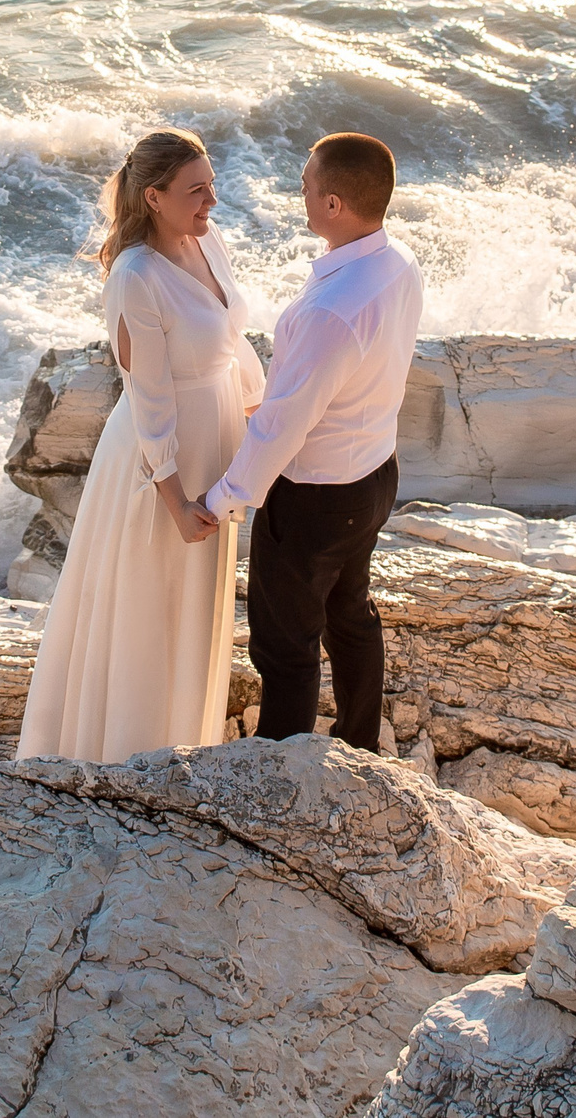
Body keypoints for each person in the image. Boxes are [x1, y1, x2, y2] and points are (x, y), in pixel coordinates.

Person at [15, 128, 268, 764]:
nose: (211, 201)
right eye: (196, 191)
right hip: (162, 465)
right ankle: (125, 757)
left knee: (194, 613)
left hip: (215, 445)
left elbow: (232, 338)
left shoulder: (206, 239)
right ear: (153, 197)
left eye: (212, 184)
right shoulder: (135, 277)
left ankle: (184, 745)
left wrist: (262, 411)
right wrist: (176, 499)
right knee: (149, 613)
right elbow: (150, 397)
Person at [194, 133, 421, 752]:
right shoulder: (398, 262)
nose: (301, 190)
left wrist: (220, 500)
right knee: (350, 614)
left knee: (284, 644)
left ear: (335, 205)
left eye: (307, 184)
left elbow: (284, 421)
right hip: (375, 473)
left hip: (316, 496)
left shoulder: (331, 309)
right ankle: (359, 746)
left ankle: (278, 774)